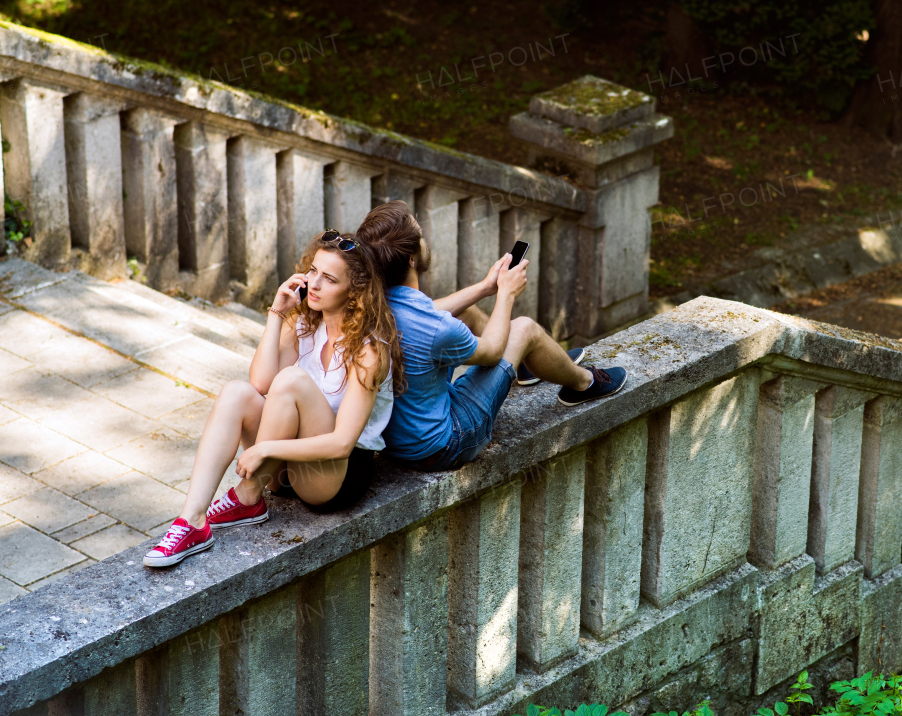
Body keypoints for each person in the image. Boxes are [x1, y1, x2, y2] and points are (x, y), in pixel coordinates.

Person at [143, 230, 401, 568]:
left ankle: (248, 495)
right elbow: (260, 382)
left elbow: (340, 444)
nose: (315, 283)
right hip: (287, 468)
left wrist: (265, 449)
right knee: (237, 391)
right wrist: (276, 314)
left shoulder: (369, 351)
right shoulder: (306, 323)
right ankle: (191, 521)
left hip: (333, 477)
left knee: (292, 380)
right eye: (313, 271)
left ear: (354, 293)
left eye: (329, 279)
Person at [356, 201, 626, 471]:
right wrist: (506, 294)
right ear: (411, 259)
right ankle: (584, 383)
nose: (425, 240)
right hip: (440, 446)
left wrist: (486, 287)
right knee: (524, 329)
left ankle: (528, 362)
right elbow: (493, 350)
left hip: (399, 438)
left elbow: (430, 316)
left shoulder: (370, 304)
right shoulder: (436, 327)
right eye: (421, 236)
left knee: (465, 312)